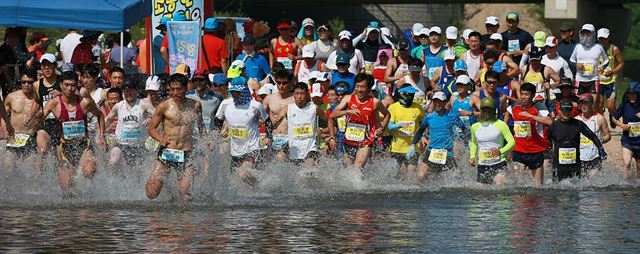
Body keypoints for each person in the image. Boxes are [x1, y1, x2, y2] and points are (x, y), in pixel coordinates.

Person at [146, 73, 208, 202]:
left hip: (187, 153)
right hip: (168, 151)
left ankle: (182, 221)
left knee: (186, 193)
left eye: (178, 89)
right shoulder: (164, 106)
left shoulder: (195, 105)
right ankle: (168, 189)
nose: (175, 92)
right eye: (172, 89)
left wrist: (206, 141)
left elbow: (201, 127)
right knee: (152, 193)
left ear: (186, 88)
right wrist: (160, 138)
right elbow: (151, 128)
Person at [40, 71, 105, 192]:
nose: (70, 88)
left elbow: (100, 115)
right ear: (61, 85)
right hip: (64, 147)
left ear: (77, 86)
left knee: (89, 171)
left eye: (73, 85)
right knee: (66, 187)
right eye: (67, 85)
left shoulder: (85, 102)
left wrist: (101, 136)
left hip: (83, 145)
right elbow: (39, 120)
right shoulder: (54, 103)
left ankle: (90, 194)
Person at [213, 77, 271, 182]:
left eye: (238, 92)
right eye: (233, 92)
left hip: (252, 149)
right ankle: (259, 185)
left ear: (244, 91)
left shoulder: (255, 105)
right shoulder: (226, 104)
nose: (235, 94)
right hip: (235, 150)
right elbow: (217, 121)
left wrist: (268, 136)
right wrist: (214, 136)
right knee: (237, 180)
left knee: (242, 173)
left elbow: (268, 121)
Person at [330, 74, 390, 171]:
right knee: (348, 170)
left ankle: (360, 185)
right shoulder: (348, 99)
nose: (359, 90)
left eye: (362, 87)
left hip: (366, 141)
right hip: (349, 139)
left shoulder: (375, 102)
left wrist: (382, 128)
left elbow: (387, 115)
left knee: (357, 168)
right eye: (357, 86)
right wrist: (348, 111)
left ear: (369, 88)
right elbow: (333, 115)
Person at [506, 82, 553, 186]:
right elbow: (507, 117)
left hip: (536, 150)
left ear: (532, 95)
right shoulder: (514, 107)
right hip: (519, 150)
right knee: (519, 184)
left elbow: (550, 122)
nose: (523, 97)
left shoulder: (539, 107)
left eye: (526, 94)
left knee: (538, 186)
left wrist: (531, 116)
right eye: (522, 94)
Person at [411, 92, 464, 181]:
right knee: (420, 177)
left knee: (457, 179)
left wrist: (465, 142)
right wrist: (413, 145)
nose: (438, 104)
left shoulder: (452, 116)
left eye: (440, 101)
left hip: (447, 153)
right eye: (435, 101)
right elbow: (420, 131)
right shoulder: (429, 117)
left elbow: (464, 129)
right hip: (432, 151)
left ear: (445, 102)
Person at [548, 100, 606, 182]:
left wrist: (600, 148)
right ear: (560, 111)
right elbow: (547, 140)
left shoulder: (578, 124)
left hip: (574, 165)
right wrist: (548, 153)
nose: (566, 113)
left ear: (571, 111)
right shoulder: (554, 126)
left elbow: (592, 136)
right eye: (564, 110)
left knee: (576, 188)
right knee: (558, 189)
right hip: (558, 165)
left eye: (568, 110)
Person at [105, 82, 156, 167]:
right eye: (126, 91)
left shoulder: (143, 104)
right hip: (121, 144)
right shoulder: (119, 106)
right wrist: (100, 134)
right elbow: (107, 119)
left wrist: (151, 119)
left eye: (131, 91)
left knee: (136, 171)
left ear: (136, 91)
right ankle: (118, 179)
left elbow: (158, 115)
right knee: (113, 161)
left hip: (138, 145)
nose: (128, 93)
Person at [469, 97, 515, 186]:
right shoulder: (474, 127)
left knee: (500, 185)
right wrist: (472, 156)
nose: (487, 112)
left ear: (494, 110)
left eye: (489, 109)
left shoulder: (501, 124)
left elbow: (512, 142)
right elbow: (474, 143)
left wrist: (500, 151)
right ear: (481, 110)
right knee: (481, 192)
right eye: (484, 109)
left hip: (499, 163)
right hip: (482, 164)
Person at [4, 70, 42, 173]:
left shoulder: (39, 98)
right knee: (8, 169)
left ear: (34, 83)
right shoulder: (12, 97)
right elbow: (2, 116)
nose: (26, 85)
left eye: (30, 82)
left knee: (29, 172)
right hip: (13, 139)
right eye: (24, 82)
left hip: (30, 139)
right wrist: (4, 130)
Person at [280, 82, 326, 166]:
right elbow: (275, 122)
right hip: (294, 146)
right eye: (297, 93)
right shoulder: (287, 108)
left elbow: (328, 120)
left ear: (307, 95)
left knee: (309, 165)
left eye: (302, 93)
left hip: (311, 146)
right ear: (293, 94)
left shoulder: (315, 108)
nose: (299, 97)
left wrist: (324, 131)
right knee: (280, 157)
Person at [387, 85, 424, 180]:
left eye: (413, 95)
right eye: (409, 94)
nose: (412, 97)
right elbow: (389, 127)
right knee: (402, 176)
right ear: (402, 95)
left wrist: (423, 136)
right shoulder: (393, 107)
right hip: (398, 148)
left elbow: (423, 125)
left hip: (413, 147)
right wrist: (399, 125)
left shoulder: (418, 108)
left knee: (410, 175)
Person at [262, 69, 295, 161]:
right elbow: (261, 119)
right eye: (278, 83)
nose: (281, 86)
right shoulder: (269, 99)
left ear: (291, 82)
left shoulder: (295, 100)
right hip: (273, 137)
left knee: (281, 158)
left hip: (289, 138)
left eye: (284, 83)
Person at [33, 54, 62, 157]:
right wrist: (33, 116)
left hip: (62, 124)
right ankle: (38, 173)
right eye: (44, 65)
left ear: (55, 66)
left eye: (49, 65)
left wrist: (62, 94)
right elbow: (36, 102)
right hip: (46, 124)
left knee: (60, 157)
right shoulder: (36, 85)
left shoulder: (63, 81)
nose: (46, 68)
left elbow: (75, 98)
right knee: (42, 151)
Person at [575, 94, 611, 177]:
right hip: (580, 156)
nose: (583, 106)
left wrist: (598, 141)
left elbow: (608, 136)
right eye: (581, 103)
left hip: (595, 156)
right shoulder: (576, 120)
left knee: (593, 179)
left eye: (586, 103)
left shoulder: (599, 118)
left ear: (591, 104)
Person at [570, 24, 608, 98]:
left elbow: (606, 59)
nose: (585, 35)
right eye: (583, 33)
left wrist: (603, 67)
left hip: (593, 79)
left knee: (593, 102)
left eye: (588, 33)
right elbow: (571, 60)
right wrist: (576, 64)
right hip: (580, 79)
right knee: (579, 102)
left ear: (593, 34)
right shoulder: (577, 46)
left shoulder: (599, 47)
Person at [612, 82, 640, 179]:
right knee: (626, 164)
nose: (631, 96)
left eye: (633, 94)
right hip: (627, 141)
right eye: (629, 93)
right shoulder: (625, 105)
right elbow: (614, 118)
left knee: (639, 169)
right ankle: (625, 186)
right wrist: (622, 125)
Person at [596, 28, 624, 124]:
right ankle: (602, 125)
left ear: (608, 38)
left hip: (610, 81)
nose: (602, 41)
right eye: (600, 38)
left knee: (611, 107)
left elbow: (621, 63)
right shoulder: (594, 49)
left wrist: (613, 71)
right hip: (598, 81)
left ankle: (613, 116)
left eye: (604, 38)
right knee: (599, 105)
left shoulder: (614, 49)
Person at [186, 69, 224, 134]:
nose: (198, 82)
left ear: (206, 81)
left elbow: (222, 117)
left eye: (201, 80)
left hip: (209, 136)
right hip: (191, 135)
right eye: (196, 80)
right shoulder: (187, 95)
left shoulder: (217, 98)